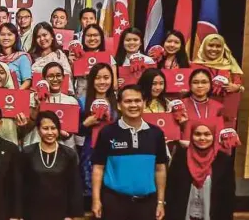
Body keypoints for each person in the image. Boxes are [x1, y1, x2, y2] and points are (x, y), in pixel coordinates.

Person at [91, 85, 169, 220]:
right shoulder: (107, 132)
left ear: (144, 103)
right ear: (119, 105)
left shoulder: (156, 133)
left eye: (137, 101)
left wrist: (160, 202)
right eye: (128, 101)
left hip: (146, 204)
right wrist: (96, 200)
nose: (133, 105)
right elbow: (98, 168)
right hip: (114, 203)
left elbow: (160, 169)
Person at [165, 123, 235, 220]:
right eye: (197, 134)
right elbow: (171, 190)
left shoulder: (223, 160)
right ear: (191, 135)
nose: (202, 138)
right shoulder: (180, 158)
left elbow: (228, 197)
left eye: (207, 134)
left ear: (214, 136)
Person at [22, 111, 83, 220]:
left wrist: (73, 215)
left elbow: (74, 187)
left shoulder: (69, 154)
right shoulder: (27, 153)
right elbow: (20, 186)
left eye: (53, 128)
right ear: (38, 130)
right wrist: (18, 215)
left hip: (61, 213)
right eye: (45, 128)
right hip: (32, 213)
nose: (50, 132)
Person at [78, 63, 118, 197]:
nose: (102, 82)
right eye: (98, 78)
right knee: (91, 190)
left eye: (106, 77)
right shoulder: (82, 102)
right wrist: (86, 124)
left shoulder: (118, 102)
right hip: (90, 150)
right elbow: (76, 131)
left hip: (115, 149)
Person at [25, 62, 80, 148]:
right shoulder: (31, 98)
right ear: (43, 79)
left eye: (58, 75)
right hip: (35, 148)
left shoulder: (71, 101)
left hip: (62, 150)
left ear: (63, 78)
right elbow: (24, 129)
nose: (55, 79)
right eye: (50, 76)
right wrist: (37, 107)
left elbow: (69, 134)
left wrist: (57, 132)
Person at [192, 34, 244, 98]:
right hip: (199, 104)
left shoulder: (230, 65)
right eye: (210, 45)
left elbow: (239, 86)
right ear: (204, 46)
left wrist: (237, 88)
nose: (214, 49)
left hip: (225, 103)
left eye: (218, 46)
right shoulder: (194, 65)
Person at [28, 22, 73, 94]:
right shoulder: (30, 57)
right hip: (36, 97)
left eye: (44, 35)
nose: (42, 39)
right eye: (38, 37)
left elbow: (67, 78)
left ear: (52, 36)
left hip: (58, 98)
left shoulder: (59, 55)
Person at [0, 23, 32, 89]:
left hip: (16, 96)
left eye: (9, 34)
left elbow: (27, 81)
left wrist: (15, 95)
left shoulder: (22, 57)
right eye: (2, 34)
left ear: (16, 37)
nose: (6, 38)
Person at [76, 24, 108, 97]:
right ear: (83, 38)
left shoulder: (108, 57)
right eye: (89, 35)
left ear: (101, 38)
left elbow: (114, 84)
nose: (92, 38)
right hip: (82, 100)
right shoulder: (77, 56)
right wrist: (72, 63)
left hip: (102, 99)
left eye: (96, 35)